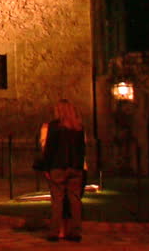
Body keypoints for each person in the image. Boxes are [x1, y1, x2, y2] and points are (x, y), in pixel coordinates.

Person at [41, 99, 86, 242]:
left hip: (58, 166)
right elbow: (82, 149)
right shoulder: (78, 127)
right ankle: (75, 231)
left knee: (57, 200)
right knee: (75, 200)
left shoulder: (54, 127)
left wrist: (46, 167)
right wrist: (80, 166)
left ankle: (55, 232)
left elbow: (50, 148)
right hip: (75, 167)